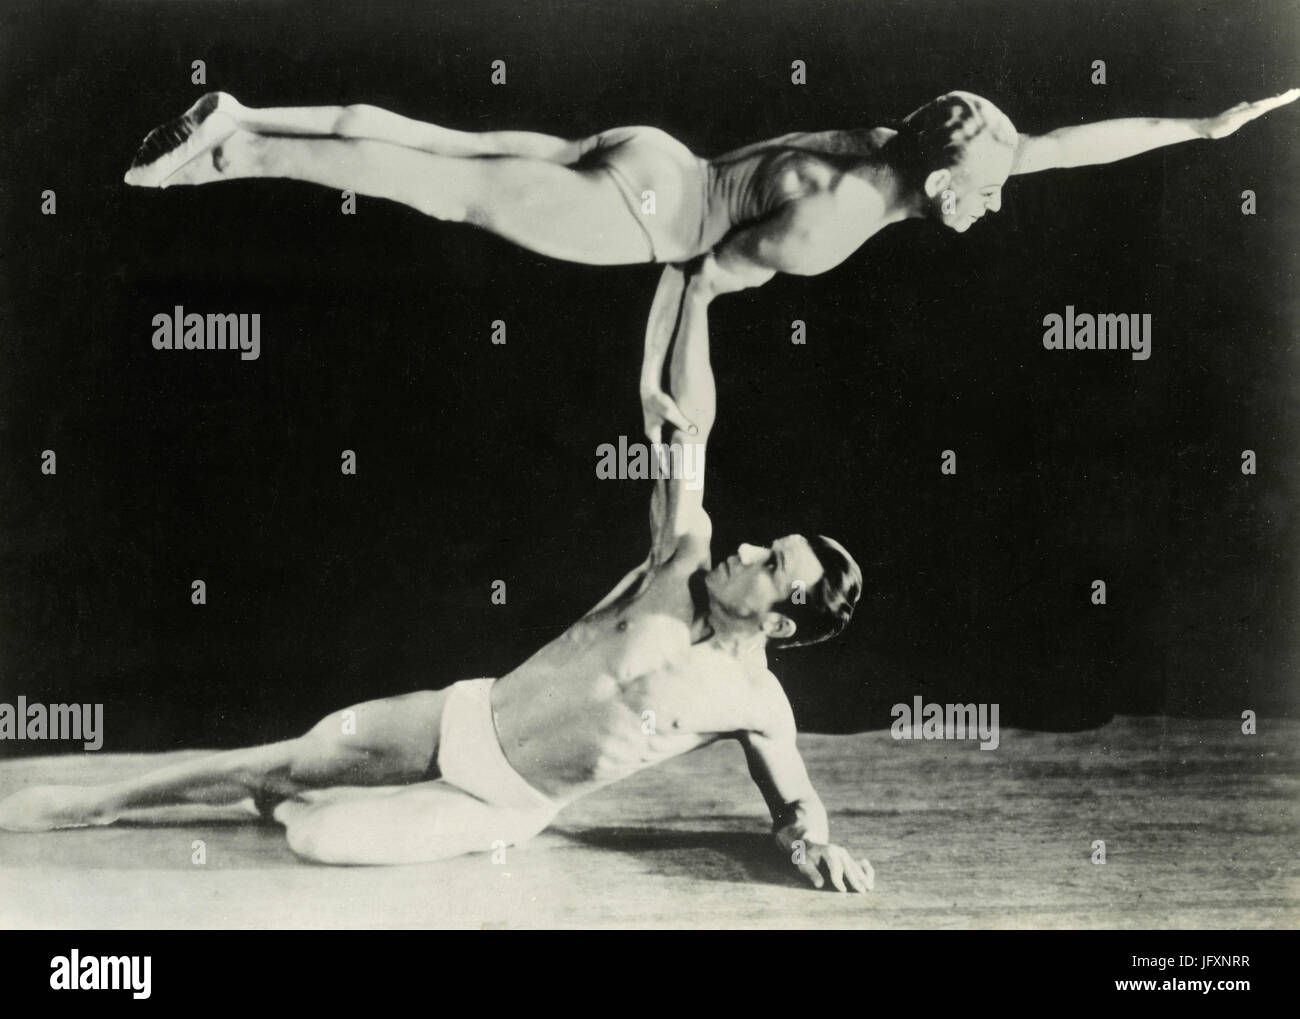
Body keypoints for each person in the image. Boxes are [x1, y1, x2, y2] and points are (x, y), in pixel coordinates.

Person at [0, 257, 872, 891]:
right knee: (293, 758)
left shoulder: (757, 704)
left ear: (784, 620)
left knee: (320, 841)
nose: (749, 550)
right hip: (465, 718)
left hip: (507, 804)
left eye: (770, 565)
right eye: (766, 543)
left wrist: (812, 848)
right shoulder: (681, 554)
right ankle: (105, 801)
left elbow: (795, 803)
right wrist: (697, 285)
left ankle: (310, 808)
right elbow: (691, 425)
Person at [123, 86, 1298, 437]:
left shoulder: (904, 146)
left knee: (451, 138)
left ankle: (240, 113)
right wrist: (657, 395)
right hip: (643, 216)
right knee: (440, 187)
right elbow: (695, 279)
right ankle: (222, 155)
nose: (998, 208)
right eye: (987, 200)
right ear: (943, 186)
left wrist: (1199, 130)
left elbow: (1057, 146)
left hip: (652, 150)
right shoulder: (834, 224)